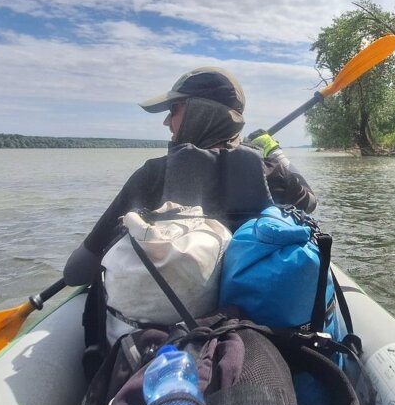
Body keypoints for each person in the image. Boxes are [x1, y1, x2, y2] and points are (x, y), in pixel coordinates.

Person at [63, 66, 316, 287]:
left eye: (174, 109)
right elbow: (309, 202)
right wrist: (274, 152)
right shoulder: (270, 170)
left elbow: (76, 273)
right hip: (255, 309)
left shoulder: (153, 175)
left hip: (178, 323)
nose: (166, 122)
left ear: (201, 112)